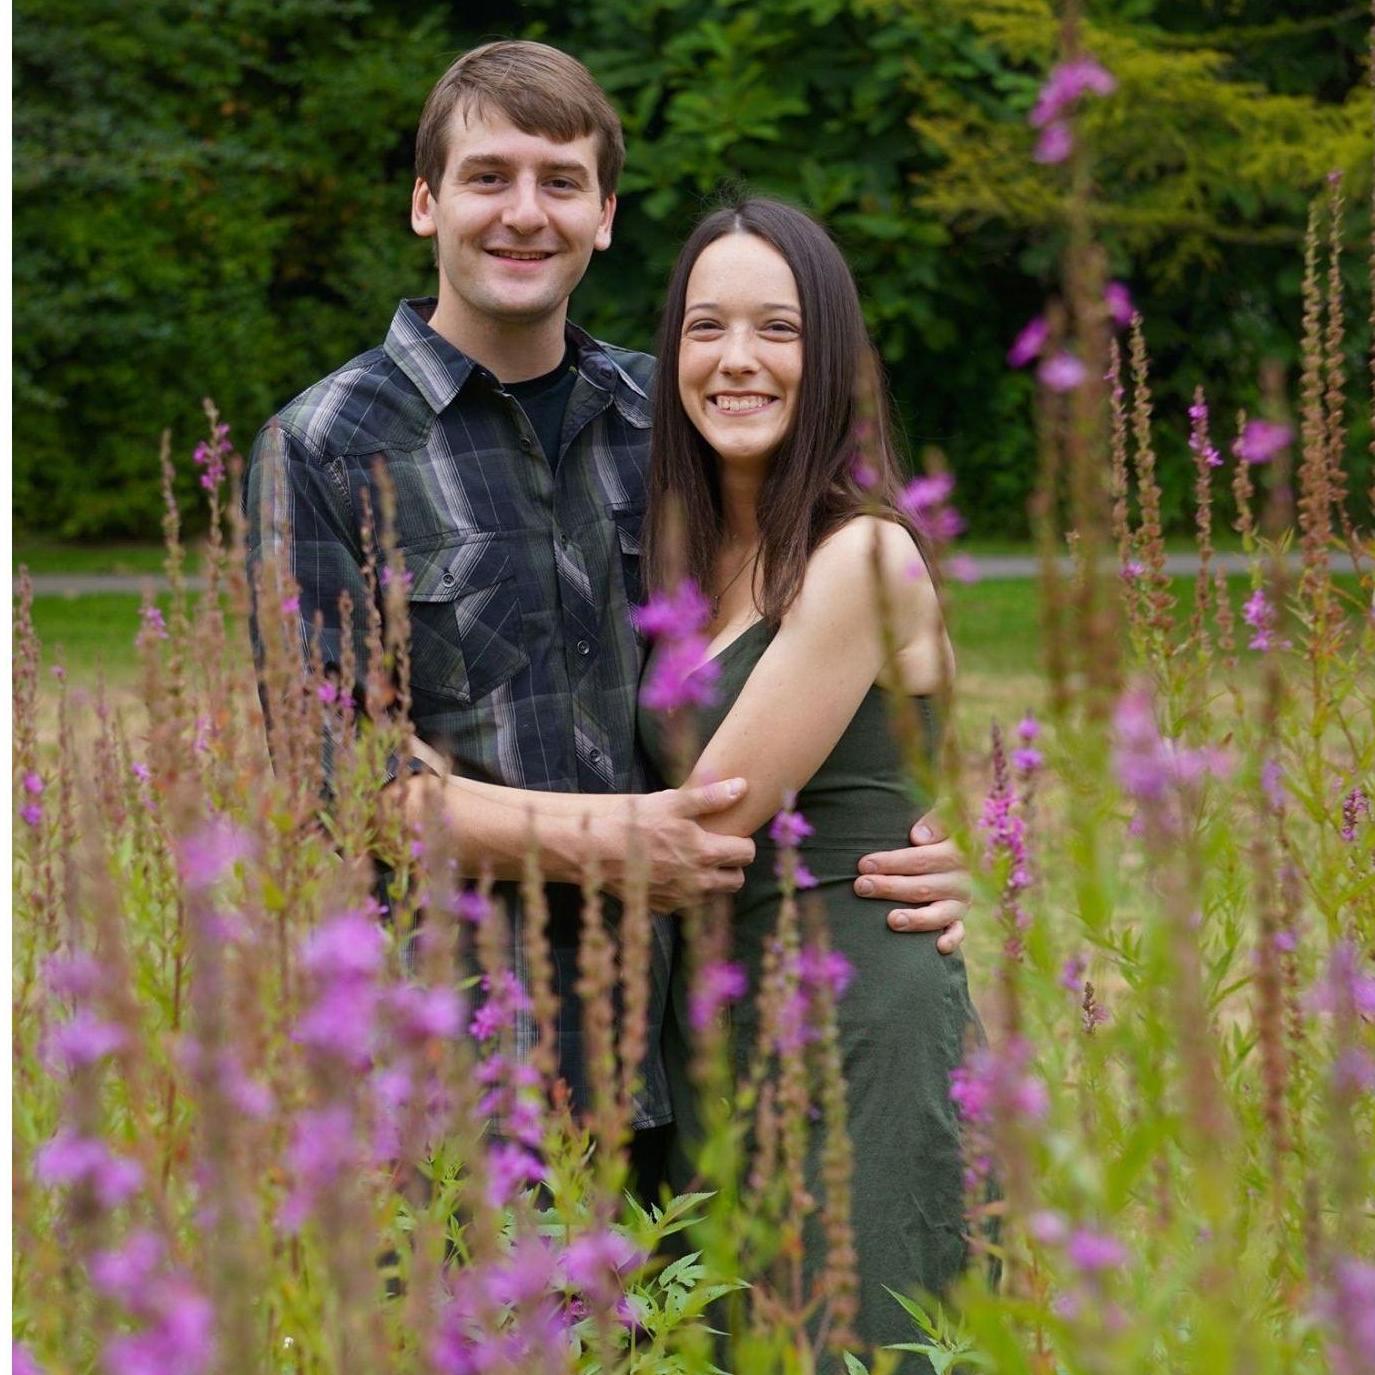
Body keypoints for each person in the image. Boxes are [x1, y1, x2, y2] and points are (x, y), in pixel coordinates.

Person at [244, 41, 971, 1195]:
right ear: (425, 202)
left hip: (697, 1055)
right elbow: (347, 783)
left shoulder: (673, 415)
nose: (524, 213)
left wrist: (927, 837)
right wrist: (623, 841)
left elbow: (851, 610)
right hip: (471, 1071)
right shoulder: (327, 449)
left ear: (607, 215)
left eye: (560, 181)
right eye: (488, 177)